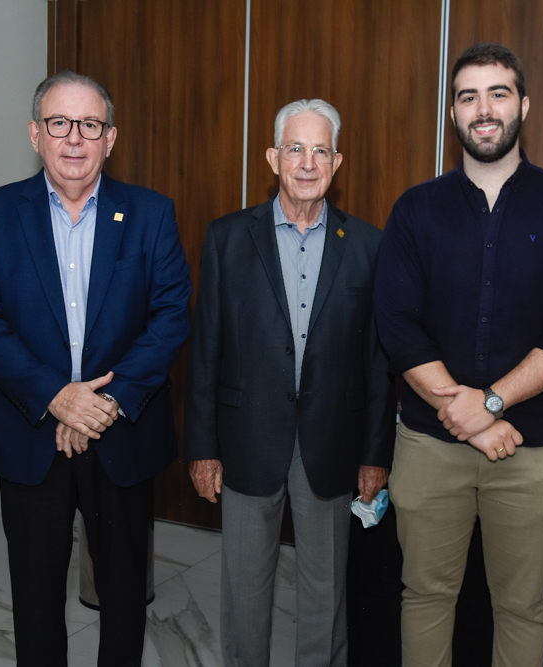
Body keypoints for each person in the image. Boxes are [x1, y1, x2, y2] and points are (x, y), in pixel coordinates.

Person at [374, 43, 543, 667]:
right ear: (453, 113)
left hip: (531, 451)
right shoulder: (415, 209)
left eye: (497, 93)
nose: (483, 109)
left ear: (523, 105)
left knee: (523, 606)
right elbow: (396, 324)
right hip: (428, 444)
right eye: (468, 96)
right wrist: (466, 413)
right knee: (424, 595)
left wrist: (493, 402)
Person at [0, 71, 191, 666]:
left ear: (110, 139)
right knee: (34, 596)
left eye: (90, 125)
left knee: (123, 591)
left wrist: (104, 404)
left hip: (123, 433)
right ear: (36, 134)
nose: (74, 139)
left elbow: (170, 316)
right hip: (30, 432)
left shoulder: (150, 213)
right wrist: (58, 397)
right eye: (60, 123)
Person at [184, 98, 396, 667]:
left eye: (320, 150)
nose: (308, 162)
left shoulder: (370, 247)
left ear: (338, 161)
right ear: (274, 157)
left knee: (325, 595)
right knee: (244, 590)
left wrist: (375, 455)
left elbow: (379, 363)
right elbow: (205, 349)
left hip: (332, 446)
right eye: (296, 149)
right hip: (246, 438)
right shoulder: (228, 238)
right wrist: (202, 447)